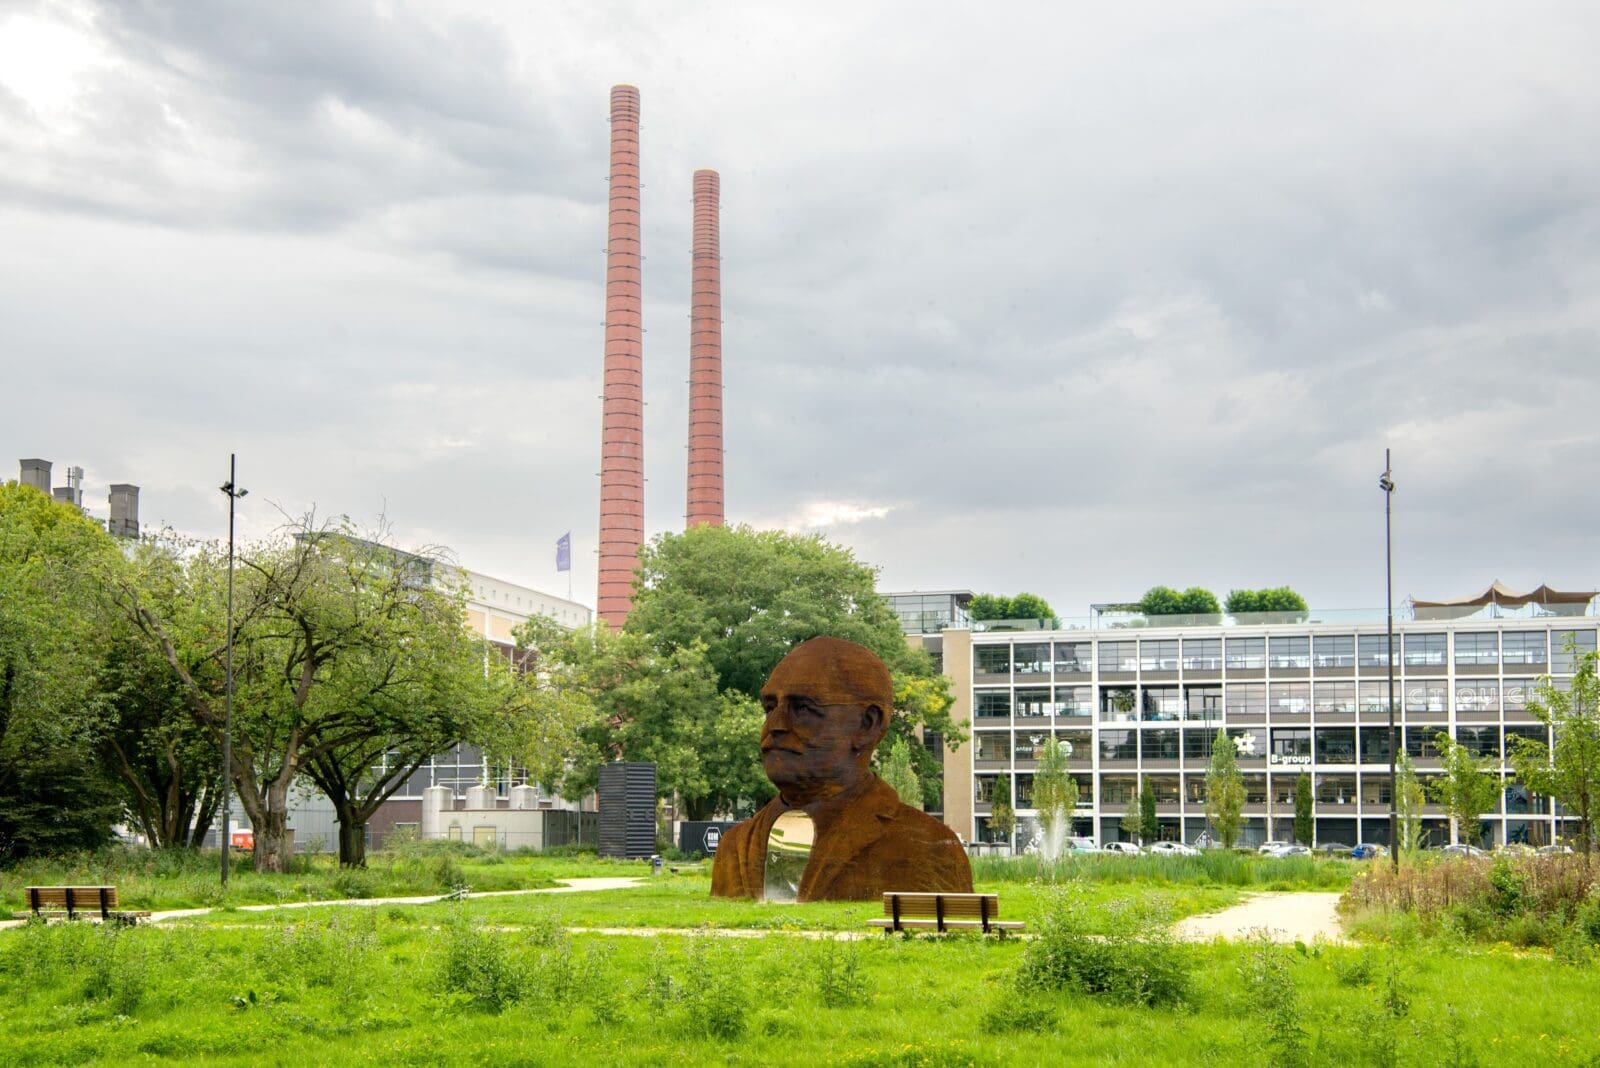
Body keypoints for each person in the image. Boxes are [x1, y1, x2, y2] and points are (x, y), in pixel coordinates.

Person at [711, 636, 973, 901]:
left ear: (867, 725)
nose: (774, 725)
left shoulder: (926, 846)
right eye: (770, 708)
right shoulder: (735, 845)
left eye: (803, 708)